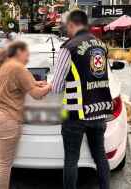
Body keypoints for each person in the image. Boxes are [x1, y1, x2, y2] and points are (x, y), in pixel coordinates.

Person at [52, 10, 113, 189]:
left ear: (71, 25)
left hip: (75, 114)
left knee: (71, 160)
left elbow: (56, 87)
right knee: (100, 156)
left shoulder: (69, 47)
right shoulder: (101, 45)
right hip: (99, 111)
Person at [0, 41, 52, 189]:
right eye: (27, 53)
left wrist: (38, 83)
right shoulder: (18, 68)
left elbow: (27, 84)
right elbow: (36, 94)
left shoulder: (2, 66)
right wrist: (51, 85)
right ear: (19, 51)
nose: (28, 57)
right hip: (7, 120)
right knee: (4, 165)